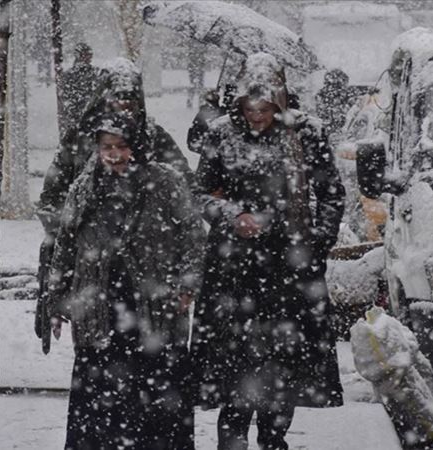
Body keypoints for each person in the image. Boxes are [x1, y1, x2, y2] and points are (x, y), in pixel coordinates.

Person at [193, 53, 345, 450]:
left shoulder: (307, 132)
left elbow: (331, 193)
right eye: (249, 108)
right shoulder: (222, 133)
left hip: (290, 267)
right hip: (233, 266)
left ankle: (274, 438)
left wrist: (317, 244)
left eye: (264, 109)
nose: (256, 117)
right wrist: (232, 214)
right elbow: (200, 193)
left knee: (284, 363)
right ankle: (233, 439)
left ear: (279, 101)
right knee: (235, 362)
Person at [47, 112, 205, 449]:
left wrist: (187, 284)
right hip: (99, 305)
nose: (114, 154)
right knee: (100, 397)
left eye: (121, 146)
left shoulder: (165, 182)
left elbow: (192, 233)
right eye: (107, 146)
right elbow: (65, 243)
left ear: (137, 146)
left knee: (156, 390)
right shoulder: (85, 186)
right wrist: (58, 299)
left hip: (153, 304)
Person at [36, 58, 194, 347]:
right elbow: (51, 200)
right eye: (117, 100)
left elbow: (186, 198)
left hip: (149, 273)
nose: (124, 108)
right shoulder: (81, 139)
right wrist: (81, 234)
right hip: (95, 275)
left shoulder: (156, 139)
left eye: (131, 101)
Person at [58, 42, 98, 138]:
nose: (89, 58)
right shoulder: (70, 75)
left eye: (90, 55)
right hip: (80, 116)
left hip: (83, 116)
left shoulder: (95, 73)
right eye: (86, 55)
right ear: (78, 55)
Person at [315, 68, 351, 138]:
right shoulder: (323, 96)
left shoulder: (343, 93)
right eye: (344, 84)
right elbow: (322, 115)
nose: (345, 87)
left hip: (335, 130)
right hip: (330, 131)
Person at [186, 43, 206, 108]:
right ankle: (198, 100)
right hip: (197, 67)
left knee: (194, 84)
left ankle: (192, 100)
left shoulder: (193, 46)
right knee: (198, 84)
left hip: (195, 67)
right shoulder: (202, 44)